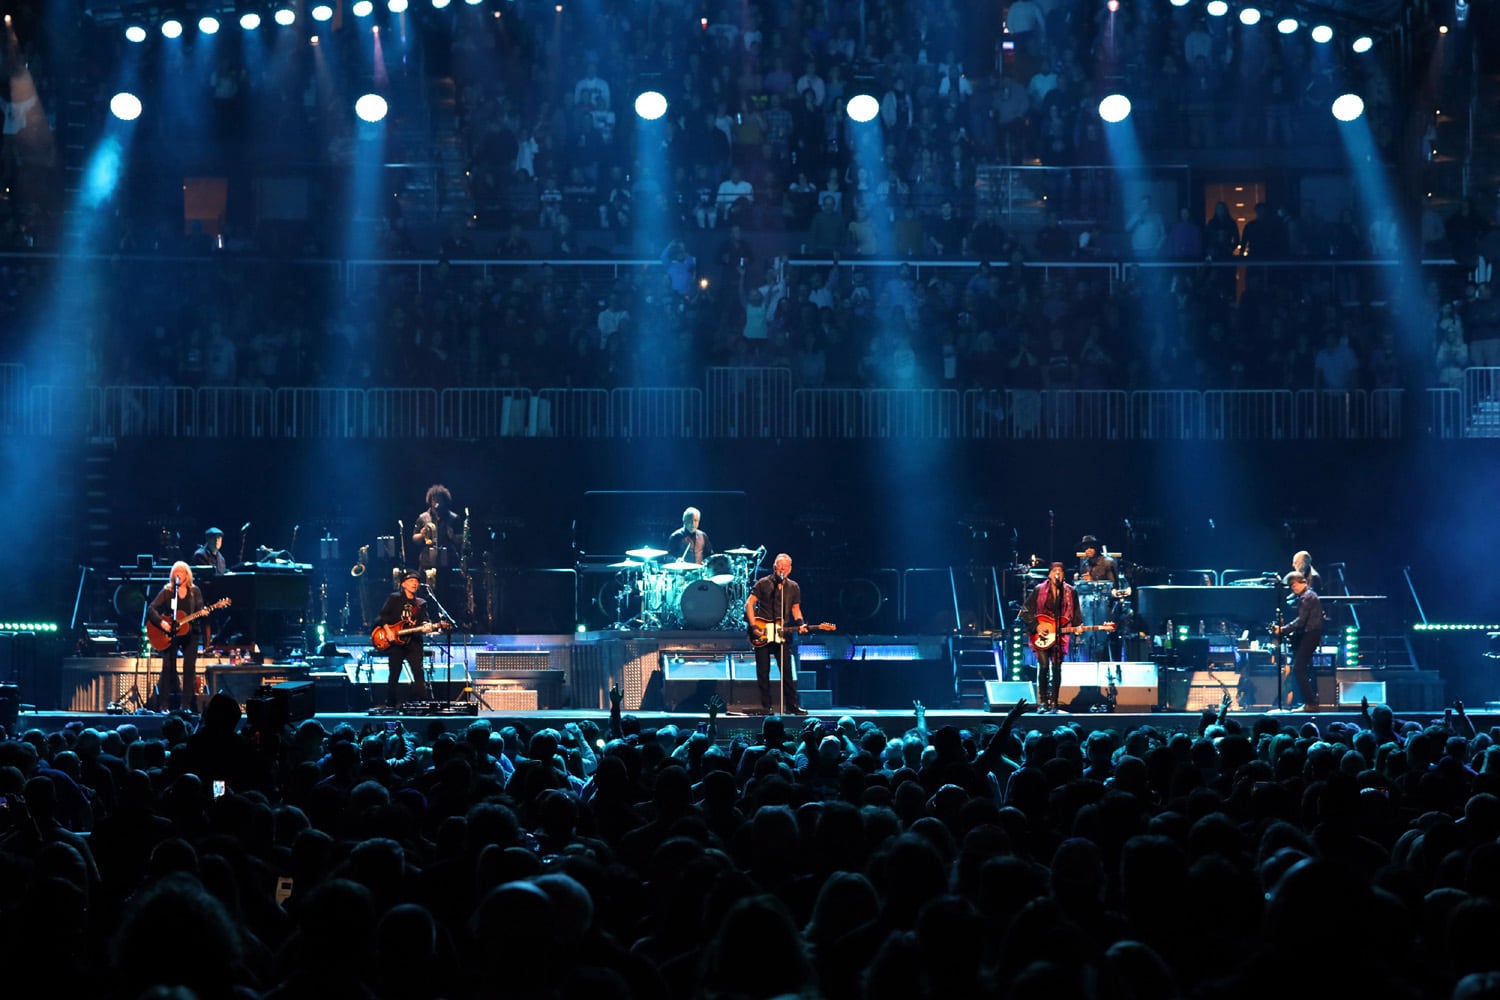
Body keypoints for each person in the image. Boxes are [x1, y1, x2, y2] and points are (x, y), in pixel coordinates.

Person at [745, 553, 807, 715]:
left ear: (790, 569)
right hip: (763, 631)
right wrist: (753, 626)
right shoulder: (764, 583)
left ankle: (792, 705)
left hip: (781, 633)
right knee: (763, 671)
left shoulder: (793, 587)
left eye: (785, 568)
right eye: (780, 567)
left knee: (786, 670)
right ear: (774, 567)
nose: (782, 570)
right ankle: (766, 707)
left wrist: (800, 624)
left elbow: (795, 608)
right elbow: (749, 603)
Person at [1018, 562, 1077, 713]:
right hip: (1042, 634)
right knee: (1044, 667)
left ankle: (1055, 702)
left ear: (1064, 575)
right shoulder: (1039, 590)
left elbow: (1076, 613)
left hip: (1060, 635)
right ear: (1049, 574)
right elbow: (1024, 611)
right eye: (1054, 571)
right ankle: (1043, 701)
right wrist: (1037, 626)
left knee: (1057, 668)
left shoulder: (1071, 591)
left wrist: (1078, 627)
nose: (1058, 573)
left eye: (1061, 571)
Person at [147, 561, 204, 713]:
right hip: (170, 635)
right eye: (175, 572)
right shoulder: (168, 591)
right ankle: (164, 705)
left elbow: (199, 611)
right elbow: (151, 608)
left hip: (190, 634)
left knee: (189, 668)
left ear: (187, 574)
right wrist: (162, 623)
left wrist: (201, 613)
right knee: (167, 667)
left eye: (181, 572)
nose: (178, 574)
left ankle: (185, 705)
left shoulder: (195, 591)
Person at [375, 571, 432, 708]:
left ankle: (423, 702)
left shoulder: (420, 603)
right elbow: (383, 616)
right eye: (411, 581)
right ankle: (391, 703)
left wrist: (427, 626)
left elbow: (424, 620)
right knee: (394, 673)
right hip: (395, 642)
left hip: (413, 642)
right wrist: (388, 631)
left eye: (416, 581)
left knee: (418, 673)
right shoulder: (394, 598)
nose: (414, 583)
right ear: (403, 584)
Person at [1272, 571, 1325, 711]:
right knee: (1301, 668)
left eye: (1294, 585)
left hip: (1310, 634)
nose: (1293, 589)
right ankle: (1310, 702)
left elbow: (1300, 621)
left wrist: (1282, 630)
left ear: (1301, 583)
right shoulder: (1308, 596)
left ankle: (1311, 703)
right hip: (1311, 634)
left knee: (1298, 668)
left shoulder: (1307, 597)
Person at [1076, 535, 1120, 661]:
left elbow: (1113, 586)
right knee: (1088, 634)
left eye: (1091, 547)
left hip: (1105, 604)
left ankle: (1105, 660)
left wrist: (1094, 580)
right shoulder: (1084, 564)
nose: (1088, 550)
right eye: (1085, 548)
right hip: (1088, 605)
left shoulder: (1108, 562)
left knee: (1104, 637)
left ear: (1096, 548)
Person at [413, 484, 463, 573]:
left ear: (444, 500)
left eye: (439, 499)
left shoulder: (454, 518)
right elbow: (414, 539)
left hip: (448, 562)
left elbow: (462, 540)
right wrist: (421, 535)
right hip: (427, 563)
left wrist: (453, 537)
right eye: (433, 498)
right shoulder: (423, 518)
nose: (436, 501)